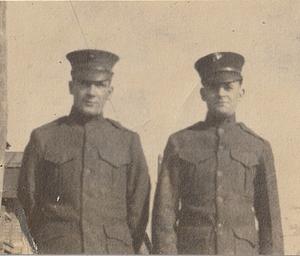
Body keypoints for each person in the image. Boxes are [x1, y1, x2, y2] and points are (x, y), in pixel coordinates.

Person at [18, 49, 151, 254]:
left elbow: (138, 208)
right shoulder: (44, 138)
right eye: (84, 83)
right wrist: (52, 236)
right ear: (72, 87)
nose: (91, 92)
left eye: (100, 85)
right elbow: (28, 199)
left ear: (110, 91)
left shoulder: (127, 141)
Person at [152, 52, 284, 255]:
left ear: (241, 91)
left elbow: (270, 221)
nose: (221, 93)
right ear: (203, 93)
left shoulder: (258, 147)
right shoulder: (180, 142)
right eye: (214, 87)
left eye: (228, 87)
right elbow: (164, 215)